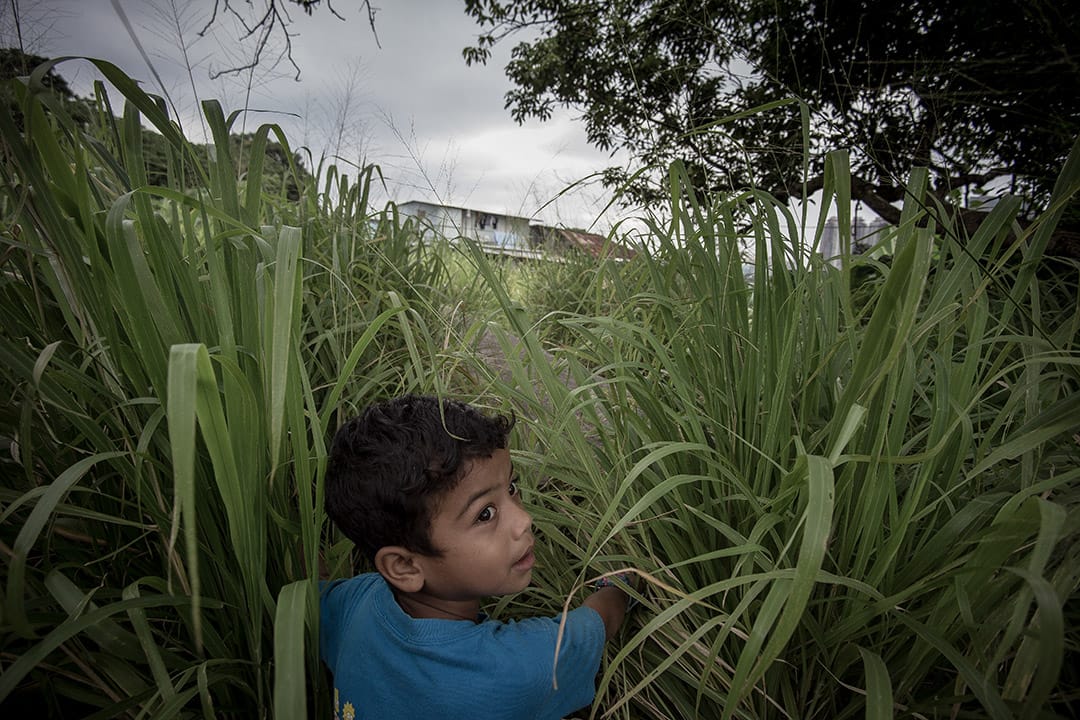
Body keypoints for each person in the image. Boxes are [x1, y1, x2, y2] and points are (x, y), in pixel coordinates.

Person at [320, 394, 636, 720]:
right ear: (404, 566)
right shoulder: (517, 671)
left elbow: (316, 594)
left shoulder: (352, 604)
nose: (524, 520)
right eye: (485, 514)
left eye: (512, 487)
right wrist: (626, 580)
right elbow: (599, 623)